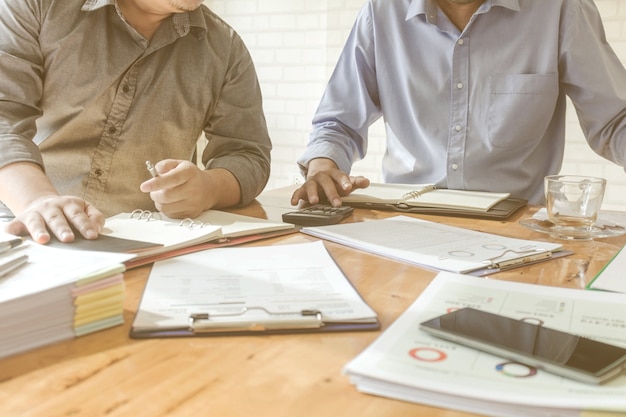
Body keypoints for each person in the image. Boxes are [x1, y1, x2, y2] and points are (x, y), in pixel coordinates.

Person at [291, 0, 626, 208]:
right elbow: (338, 124)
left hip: (518, 227)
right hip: (405, 220)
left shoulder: (561, 8)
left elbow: (614, 120)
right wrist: (323, 166)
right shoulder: (381, 12)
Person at [0, 0, 271, 244]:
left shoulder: (226, 48)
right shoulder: (35, 6)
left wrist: (209, 188)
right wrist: (38, 200)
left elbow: (247, 153)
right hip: (23, 227)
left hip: (149, 241)